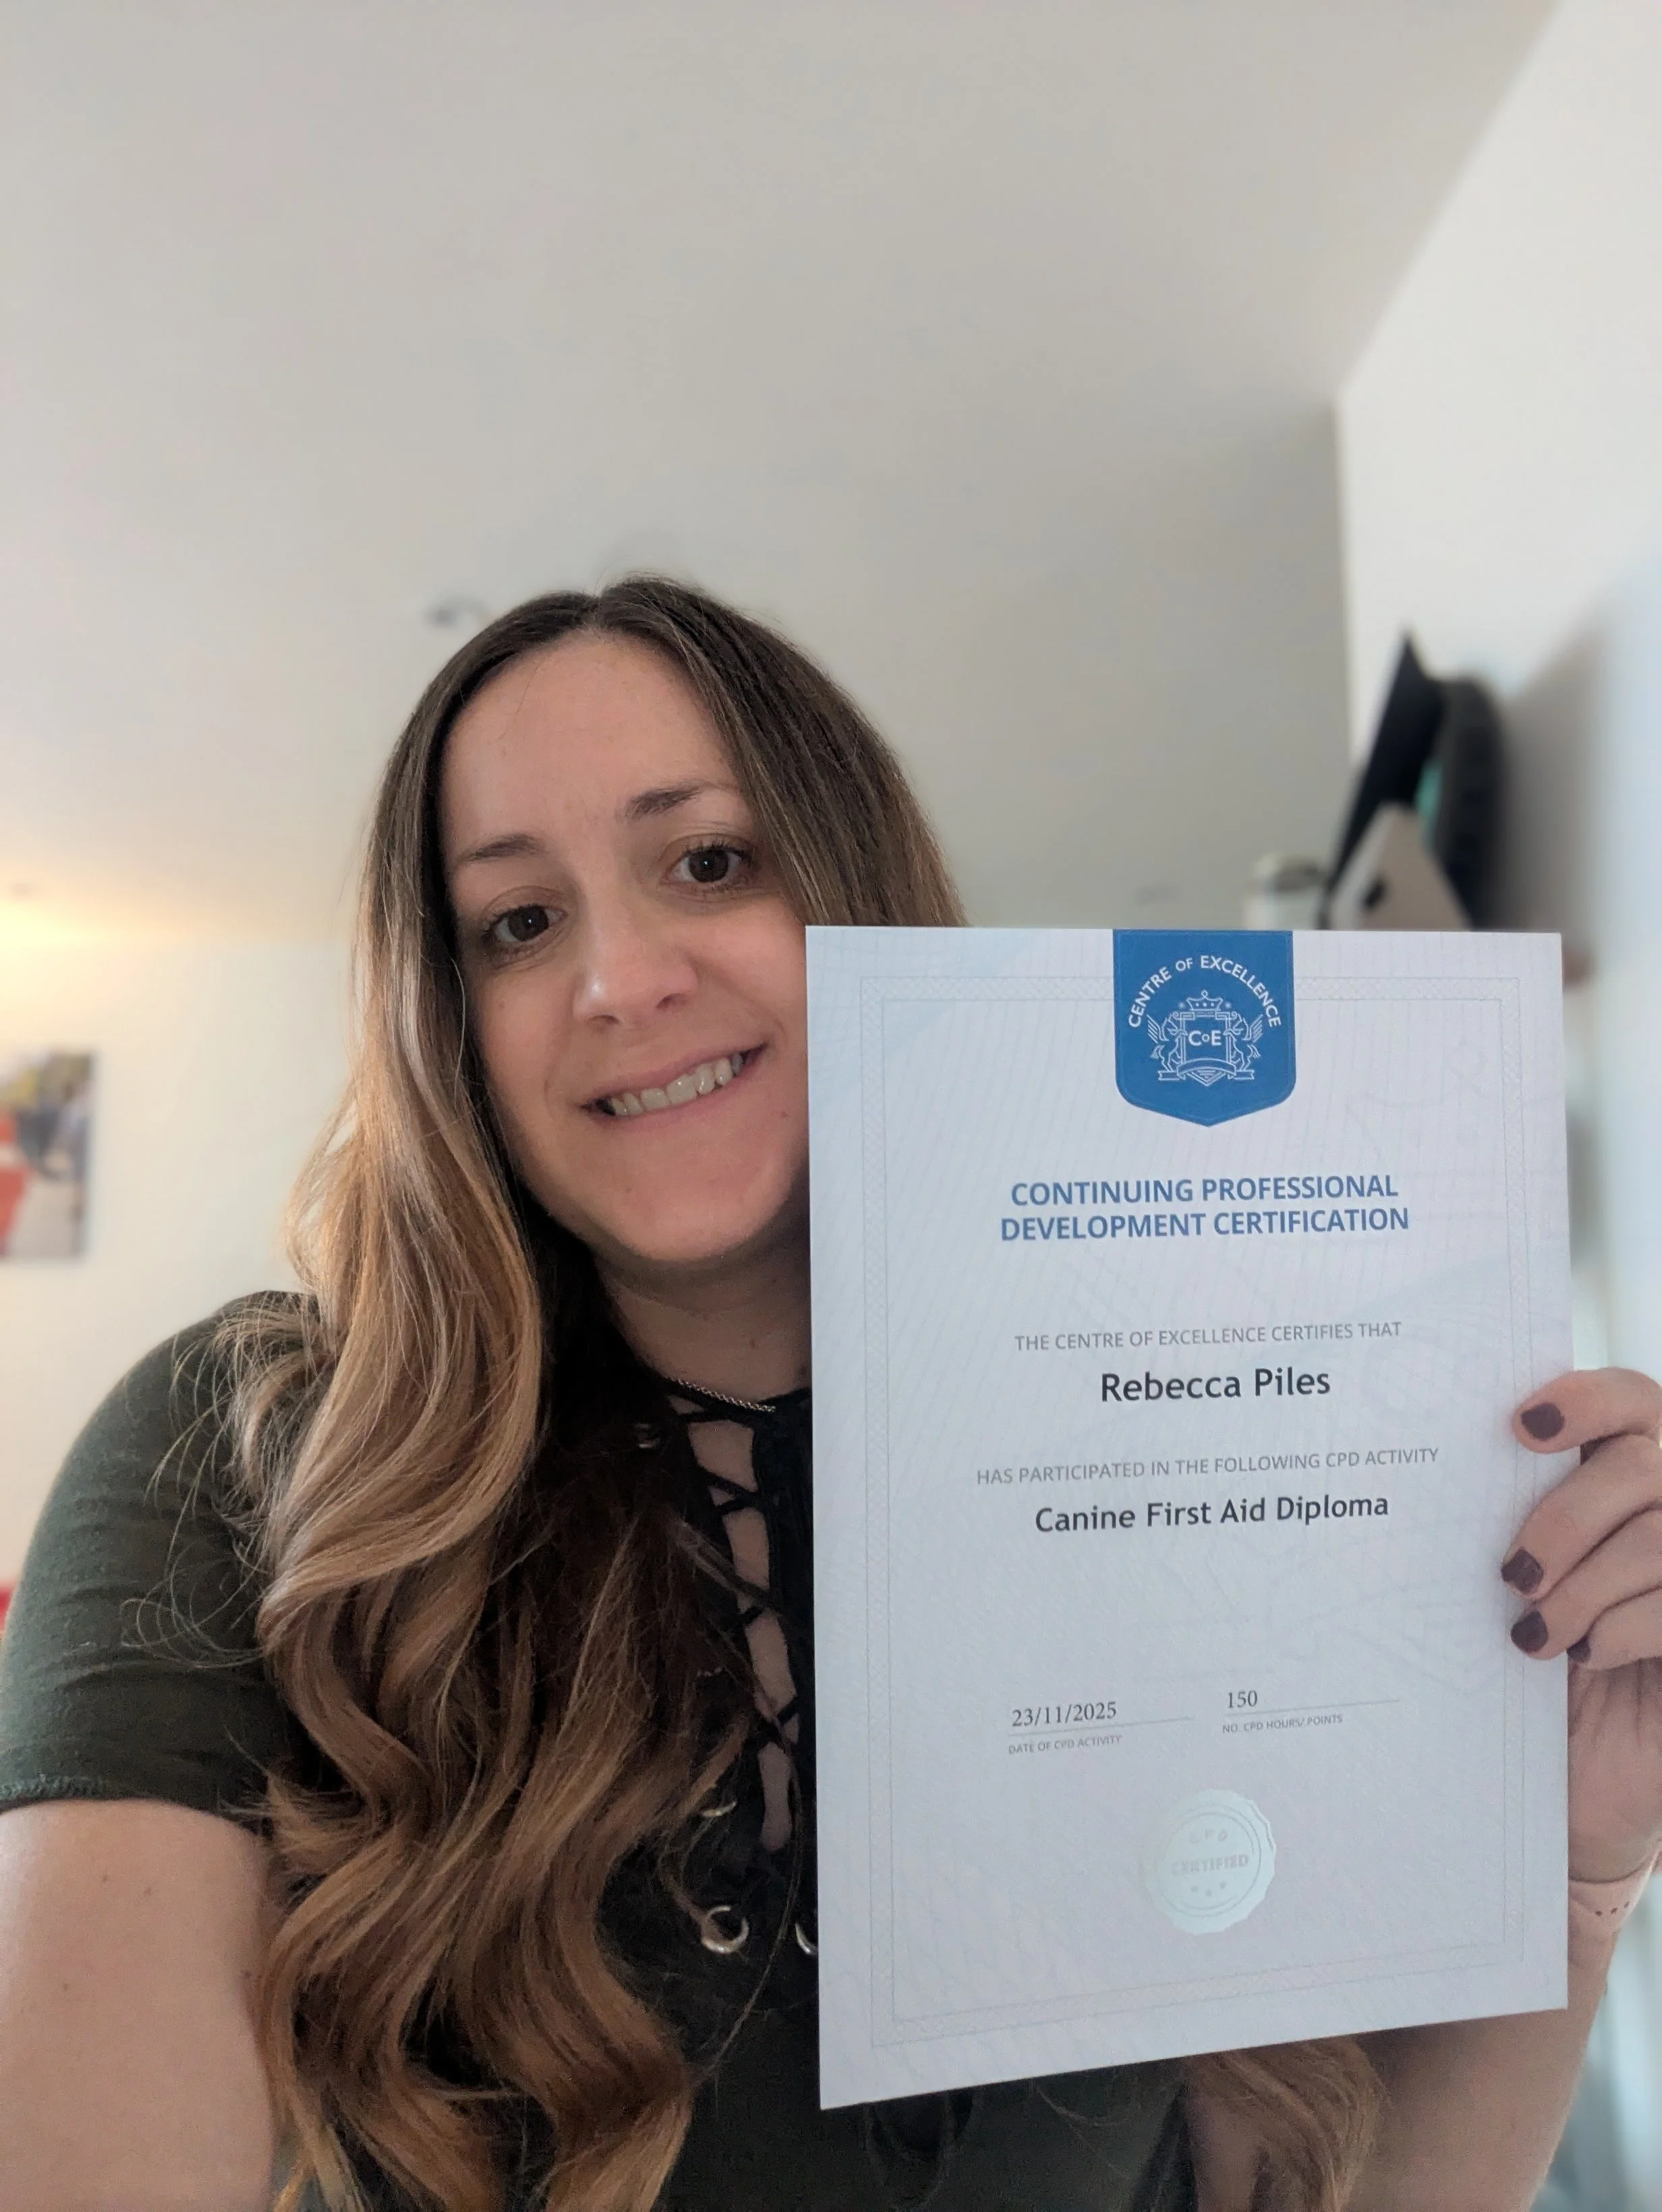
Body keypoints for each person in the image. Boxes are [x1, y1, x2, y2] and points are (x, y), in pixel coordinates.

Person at [0, 578, 1658, 2212]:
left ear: (856, 897)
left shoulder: (1199, 1422)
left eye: (707, 859)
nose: (619, 978)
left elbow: (1303, 2176)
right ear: (450, 1023)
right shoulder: (252, 1451)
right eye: (518, 919)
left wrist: (1579, 1858)